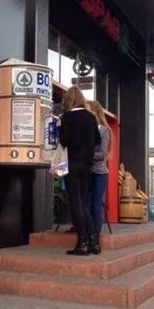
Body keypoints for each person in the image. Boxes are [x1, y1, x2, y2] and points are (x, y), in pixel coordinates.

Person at [59, 87, 101, 256]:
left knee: (75, 203)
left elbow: (63, 141)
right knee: (82, 202)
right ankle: (94, 242)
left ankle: (82, 242)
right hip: (88, 165)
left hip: (73, 164)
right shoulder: (91, 117)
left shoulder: (67, 117)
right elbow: (97, 140)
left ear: (68, 100)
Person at [84, 100, 111, 255]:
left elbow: (102, 154)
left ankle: (95, 239)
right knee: (85, 206)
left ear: (94, 111)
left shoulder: (104, 130)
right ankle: (87, 236)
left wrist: (85, 154)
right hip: (86, 172)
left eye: (88, 110)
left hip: (99, 173)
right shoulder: (87, 129)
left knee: (95, 206)